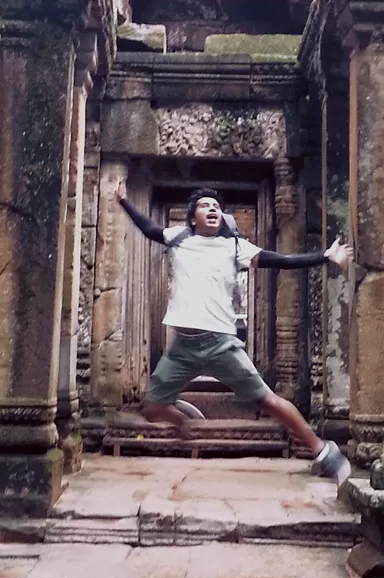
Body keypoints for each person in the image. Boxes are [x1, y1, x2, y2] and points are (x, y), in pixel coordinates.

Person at [115, 183, 353, 486]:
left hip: (221, 345)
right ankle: (181, 417)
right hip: (183, 346)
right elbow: (149, 229)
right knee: (151, 407)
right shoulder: (179, 238)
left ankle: (323, 452)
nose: (212, 209)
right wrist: (124, 200)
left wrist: (324, 257)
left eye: (216, 206)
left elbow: (281, 260)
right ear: (191, 219)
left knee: (268, 401)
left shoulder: (236, 248)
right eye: (204, 205)